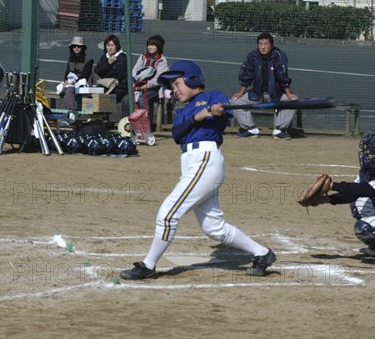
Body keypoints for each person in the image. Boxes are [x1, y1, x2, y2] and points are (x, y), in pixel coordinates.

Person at [120, 60, 276, 280]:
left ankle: (148, 265)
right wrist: (199, 116)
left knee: (167, 214)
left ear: (192, 78)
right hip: (192, 162)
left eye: (177, 83)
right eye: (172, 86)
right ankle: (263, 253)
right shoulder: (184, 111)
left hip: (205, 159)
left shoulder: (213, 96)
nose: (174, 90)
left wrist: (216, 111)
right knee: (214, 228)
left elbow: (222, 113)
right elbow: (177, 134)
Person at [314, 132, 375, 267]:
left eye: (373, 153)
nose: (368, 156)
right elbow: (354, 194)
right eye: (369, 152)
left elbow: (364, 190)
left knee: (364, 227)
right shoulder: (370, 172)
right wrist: (329, 199)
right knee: (358, 205)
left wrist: (332, 185)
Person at [230, 32, 298, 140]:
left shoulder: (279, 55)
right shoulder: (252, 55)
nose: (263, 47)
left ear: (271, 45)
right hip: (256, 94)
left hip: (275, 95)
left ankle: (279, 130)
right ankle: (251, 129)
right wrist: (241, 92)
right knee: (234, 100)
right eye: (260, 44)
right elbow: (246, 75)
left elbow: (283, 77)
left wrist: (289, 94)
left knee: (294, 102)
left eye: (266, 44)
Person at [128, 34, 169, 126]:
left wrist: (146, 86)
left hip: (155, 89)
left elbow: (158, 79)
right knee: (127, 99)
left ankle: (146, 125)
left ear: (159, 46)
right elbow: (134, 70)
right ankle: (128, 124)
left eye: (153, 45)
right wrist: (136, 81)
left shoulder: (162, 60)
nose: (150, 47)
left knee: (143, 99)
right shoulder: (143, 57)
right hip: (139, 86)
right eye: (149, 45)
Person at [94, 34, 128, 115]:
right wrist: (109, 63)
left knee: (105, 97)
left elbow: (119, 75)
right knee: (93, 95)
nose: (110, 47)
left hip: (120, 88)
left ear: (117, 46)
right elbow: (97, 70)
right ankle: (97, 119)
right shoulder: (104, 57)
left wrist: (105, 71)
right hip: (106, 85)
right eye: (108, 45)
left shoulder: (122, 58)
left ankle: (102, 117)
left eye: (112, 45)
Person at [60, 36, 94, 110]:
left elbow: (85, 75)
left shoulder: (89, 60)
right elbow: (67, 72)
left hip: (83, 83)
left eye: (79, 46)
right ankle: (70, 112)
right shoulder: (70, 59)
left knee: (70, 90)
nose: (76, 48)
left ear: (82, 48)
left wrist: (72, 83)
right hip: (71, 83)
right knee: (64, 90)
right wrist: (65, 81)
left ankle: (69, 113)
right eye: (74, 46)